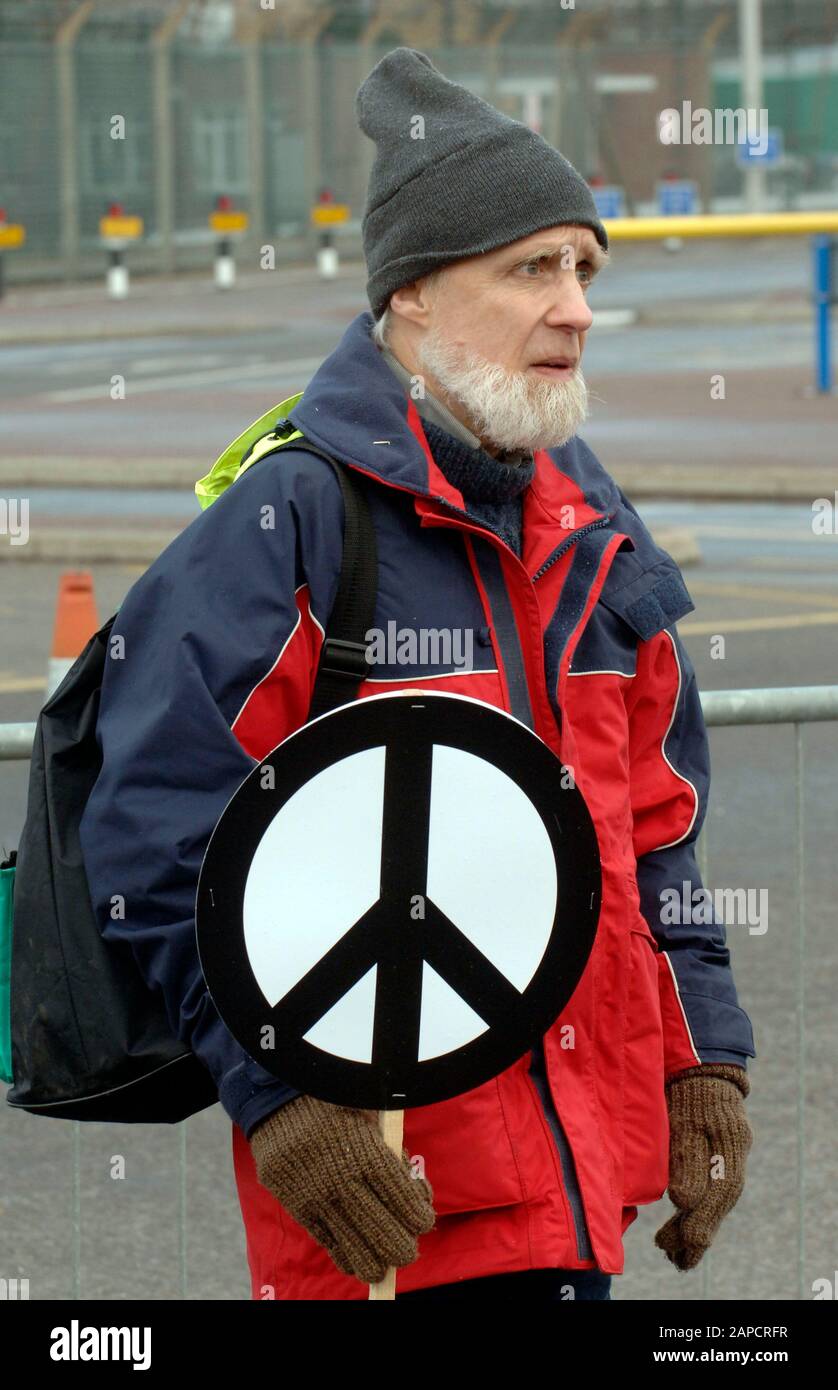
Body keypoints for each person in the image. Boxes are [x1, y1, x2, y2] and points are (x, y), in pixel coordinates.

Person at [78, 47, 755, 1302]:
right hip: (383, 1214)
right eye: (531, 270)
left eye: (584, 269)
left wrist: (703, 1056)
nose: (577, 307)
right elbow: (154, 835)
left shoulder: (594, 527)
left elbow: (657, 831)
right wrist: (279, 1093)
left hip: (570, 1208)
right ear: (416, 299)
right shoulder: (293, 521)